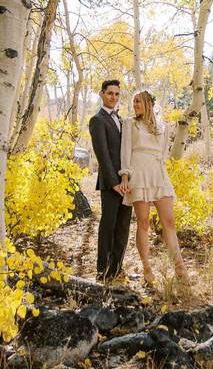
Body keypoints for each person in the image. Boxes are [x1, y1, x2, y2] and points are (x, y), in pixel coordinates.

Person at [117, 90, 189, 285]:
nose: (135, 105)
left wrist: (161, 171)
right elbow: (125, 151)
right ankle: (146, 267)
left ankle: (180, 267)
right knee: (144, 223)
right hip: (139, 174)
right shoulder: (129, 123)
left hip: (158, 173)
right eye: (134, 102)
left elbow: (164, 154)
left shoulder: (163, 127)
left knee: (169, 222)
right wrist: (125, 176)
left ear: (149, 103)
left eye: (138, 101)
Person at [88, 79, 130, 280]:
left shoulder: (122, 120)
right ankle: (103, 271)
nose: (113, 97)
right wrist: (114, 182)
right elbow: (102, 154)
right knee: (108, 225)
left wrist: (126, 179)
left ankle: (117, 268)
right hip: (110, 184)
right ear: (102, 94)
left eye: (116, 94)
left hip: (126, 183)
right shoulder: (97, 120)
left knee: (123, 227)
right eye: (110, 93)